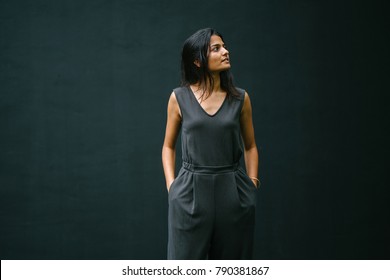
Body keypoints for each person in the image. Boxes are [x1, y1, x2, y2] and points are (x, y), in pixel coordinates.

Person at [162, 28, 259, 260]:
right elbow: (168, 146)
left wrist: (252, 184)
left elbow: (251, 146)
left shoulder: (240, 98)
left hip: (233, 191)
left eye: (224, 46)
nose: (226, 51)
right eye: (216, 48)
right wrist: (172, 187)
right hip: (190, 191)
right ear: (197, 60)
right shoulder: (179, 98)